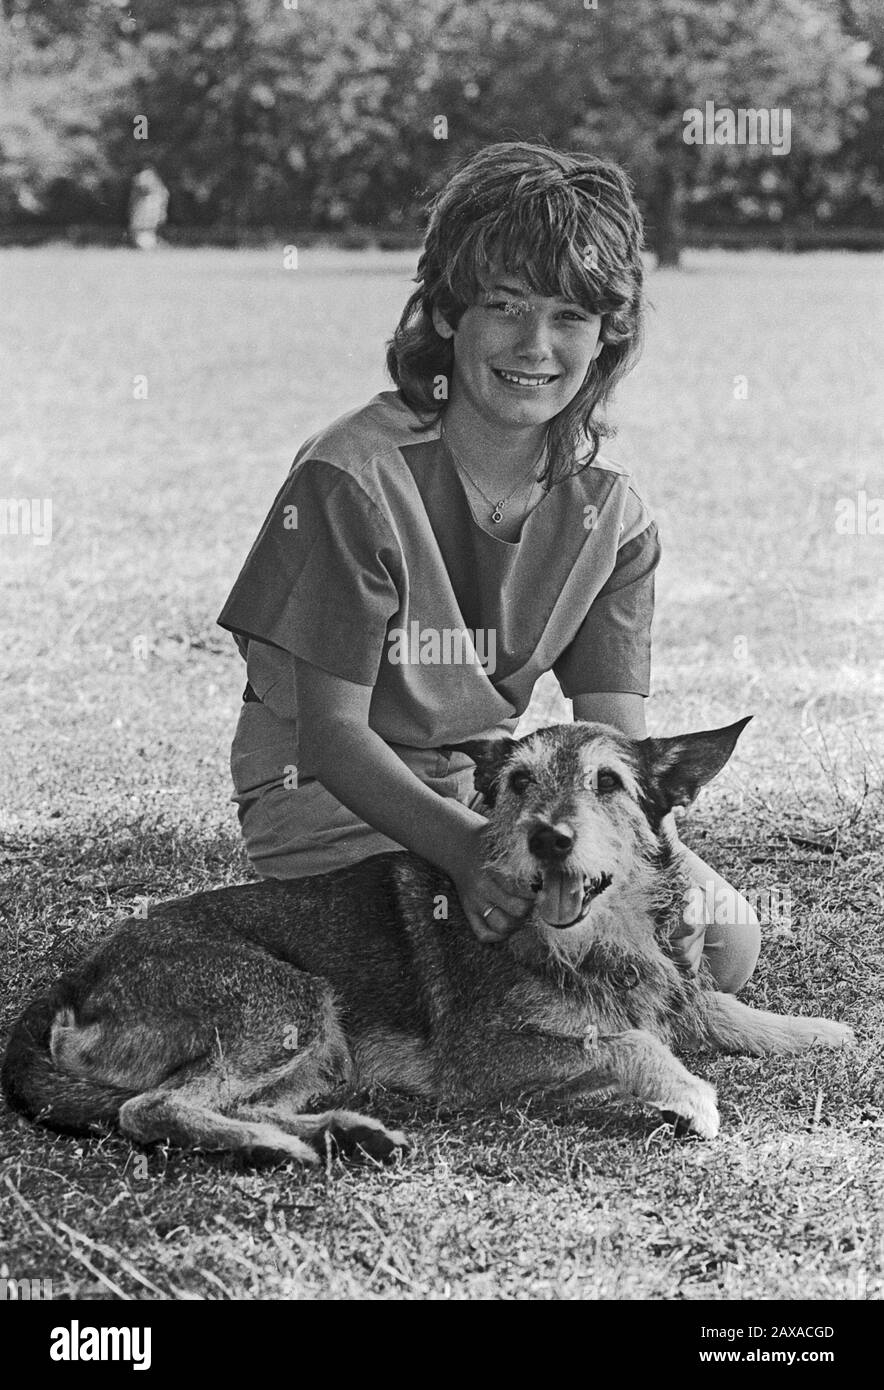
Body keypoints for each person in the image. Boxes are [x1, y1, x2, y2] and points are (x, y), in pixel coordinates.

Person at [217, 141, 760, 991]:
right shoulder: (351, 477)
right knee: (521, 950)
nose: (535, 344)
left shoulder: (611, 518)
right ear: (445, 314)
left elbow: (612, 739)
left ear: (606, 336)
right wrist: (471, 856)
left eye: (570, 317)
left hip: (498, 789)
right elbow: (332, 737)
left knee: (722, 941)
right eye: (504, 306)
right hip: (337, 793)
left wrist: (657, 867)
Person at [128, 167, 169, 250]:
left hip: (148, 208)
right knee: (142, 231)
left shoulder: (156, 195)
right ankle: (155, 245)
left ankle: (154, 245)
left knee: (144, 231)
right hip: (145, 209)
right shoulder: (157, 192)